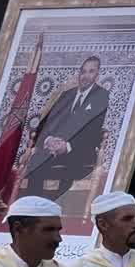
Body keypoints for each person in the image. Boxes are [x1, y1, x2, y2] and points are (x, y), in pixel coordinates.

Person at [21, 55, 108, 202]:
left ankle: (56, 208)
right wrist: (49, 140)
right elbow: (46, 123)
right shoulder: (67, 95)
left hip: (80, 150)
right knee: (37, 160)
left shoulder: (102, 96)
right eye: (83, 71)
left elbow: (93, 132)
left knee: (72, 164)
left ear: (97, 75)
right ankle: (33, 206)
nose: (85, 76)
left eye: (91, 71)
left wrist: (67, 146)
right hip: (54, 148)